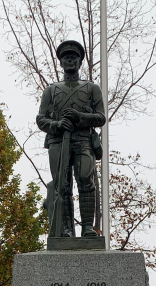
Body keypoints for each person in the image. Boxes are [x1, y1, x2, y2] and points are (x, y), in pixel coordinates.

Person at [36, 39, 106, 238]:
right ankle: (65, 229)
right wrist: (57, 125)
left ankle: (87, 227)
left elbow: (101, 117)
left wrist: (81, 118)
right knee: (62, 185)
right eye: (66, 58)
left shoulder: (92, 88)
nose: (70, 61)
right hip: (58, 142)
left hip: (84, 140)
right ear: (60, 62)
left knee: (85, 179)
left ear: (79, 62)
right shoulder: (51, 90)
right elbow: (40, 119)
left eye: (73, 58)